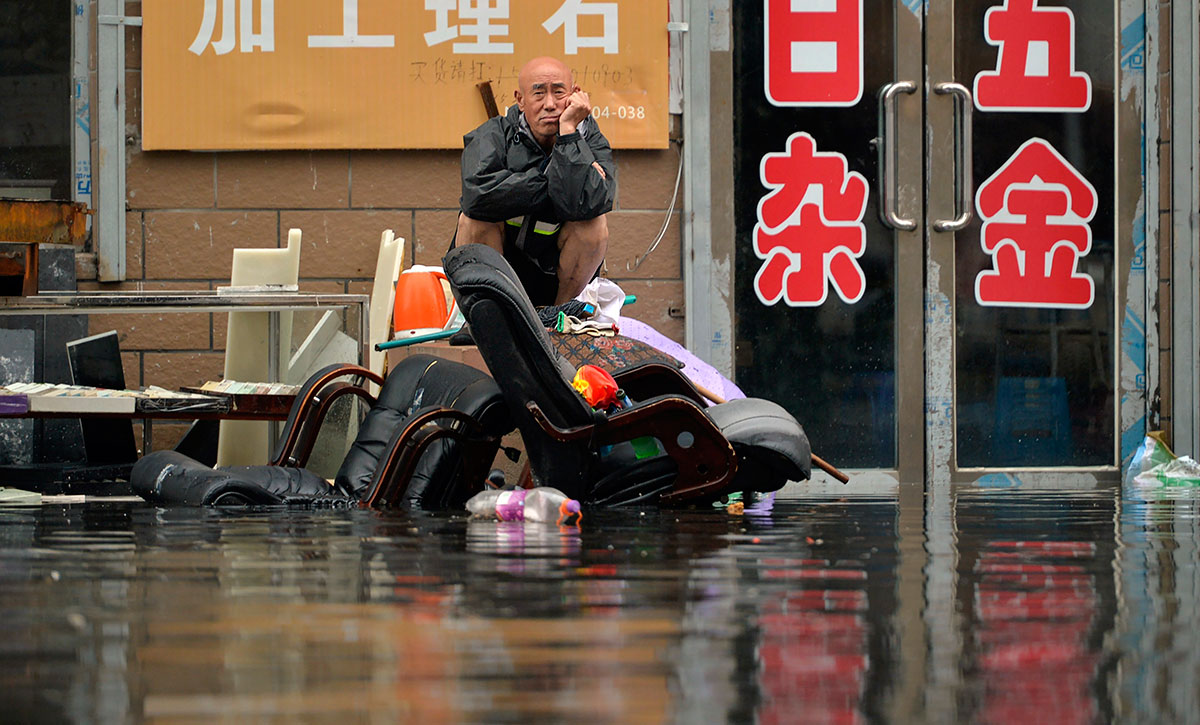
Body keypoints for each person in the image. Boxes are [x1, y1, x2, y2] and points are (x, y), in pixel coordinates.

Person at [455, 56, 616, 307]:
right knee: (473, 219)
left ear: (575, 95)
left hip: (557, 279)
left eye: (559, 92)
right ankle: (489, 313)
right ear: (520, 100)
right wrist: (556, 178)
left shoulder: (590, 139)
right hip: (499, 274)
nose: (550, 104)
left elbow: (590, 204)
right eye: (538, 93)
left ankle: (562, 316)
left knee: (594, 226)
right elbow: (477, 196)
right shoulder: (494, 134)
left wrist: (569, 133)